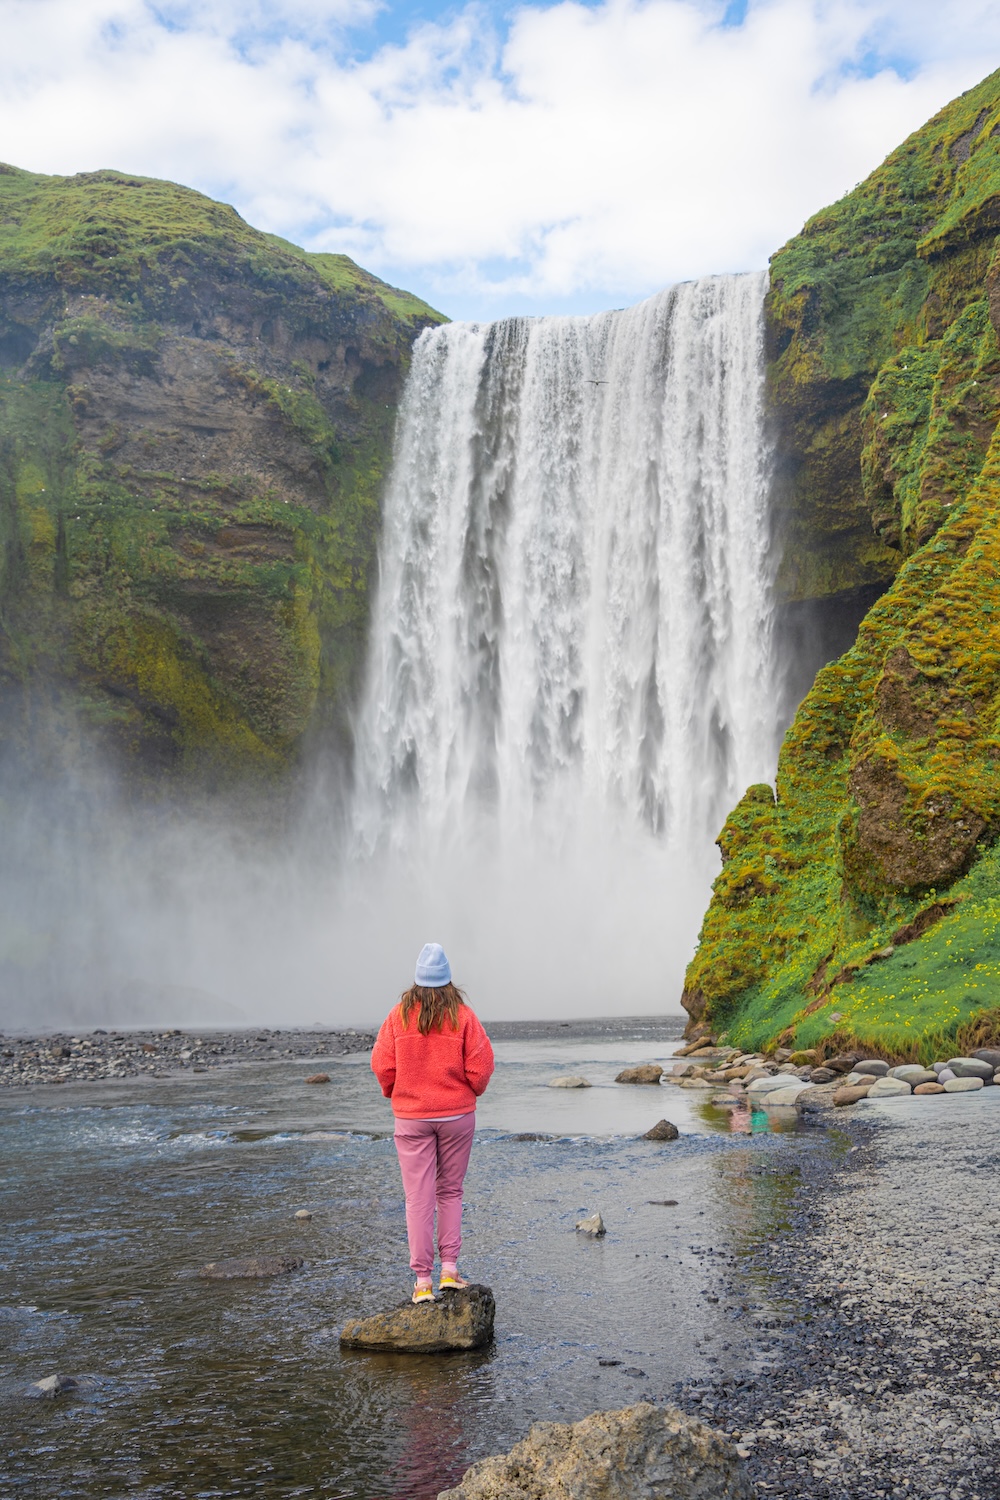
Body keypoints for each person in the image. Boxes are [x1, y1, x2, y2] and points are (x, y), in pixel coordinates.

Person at [371, 943, 495, 1304]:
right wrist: (470, 1091)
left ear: (416, 981)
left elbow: (382, 1064)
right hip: (457, 1116)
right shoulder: (464, 1016)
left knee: (418, 1198)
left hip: (411, 1119)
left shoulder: (397, 1016)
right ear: (448, 981)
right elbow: (482, 1066)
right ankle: (450, 1271)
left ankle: (422, 1281)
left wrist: (395, 1091)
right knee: (450, 1192)